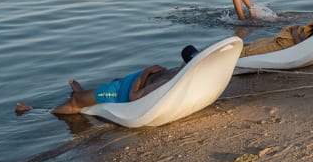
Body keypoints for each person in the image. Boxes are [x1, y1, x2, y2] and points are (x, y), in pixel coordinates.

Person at [15, 45, 199, 115]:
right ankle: (82, 92)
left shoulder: (165, 81)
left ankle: (38, 111)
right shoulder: (179, 72)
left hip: (120, 92)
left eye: (185, 61)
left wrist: (146, 72)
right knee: (110, 83)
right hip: (124, 82)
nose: (182, 63)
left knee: (76, 102)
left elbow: (134, 97)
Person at [240, 0, 313, 57]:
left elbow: (303, 46)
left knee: (249, 51)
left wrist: (294, 30)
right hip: (285, 38)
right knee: (255, 43)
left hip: (287, 43)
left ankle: (227, 61)